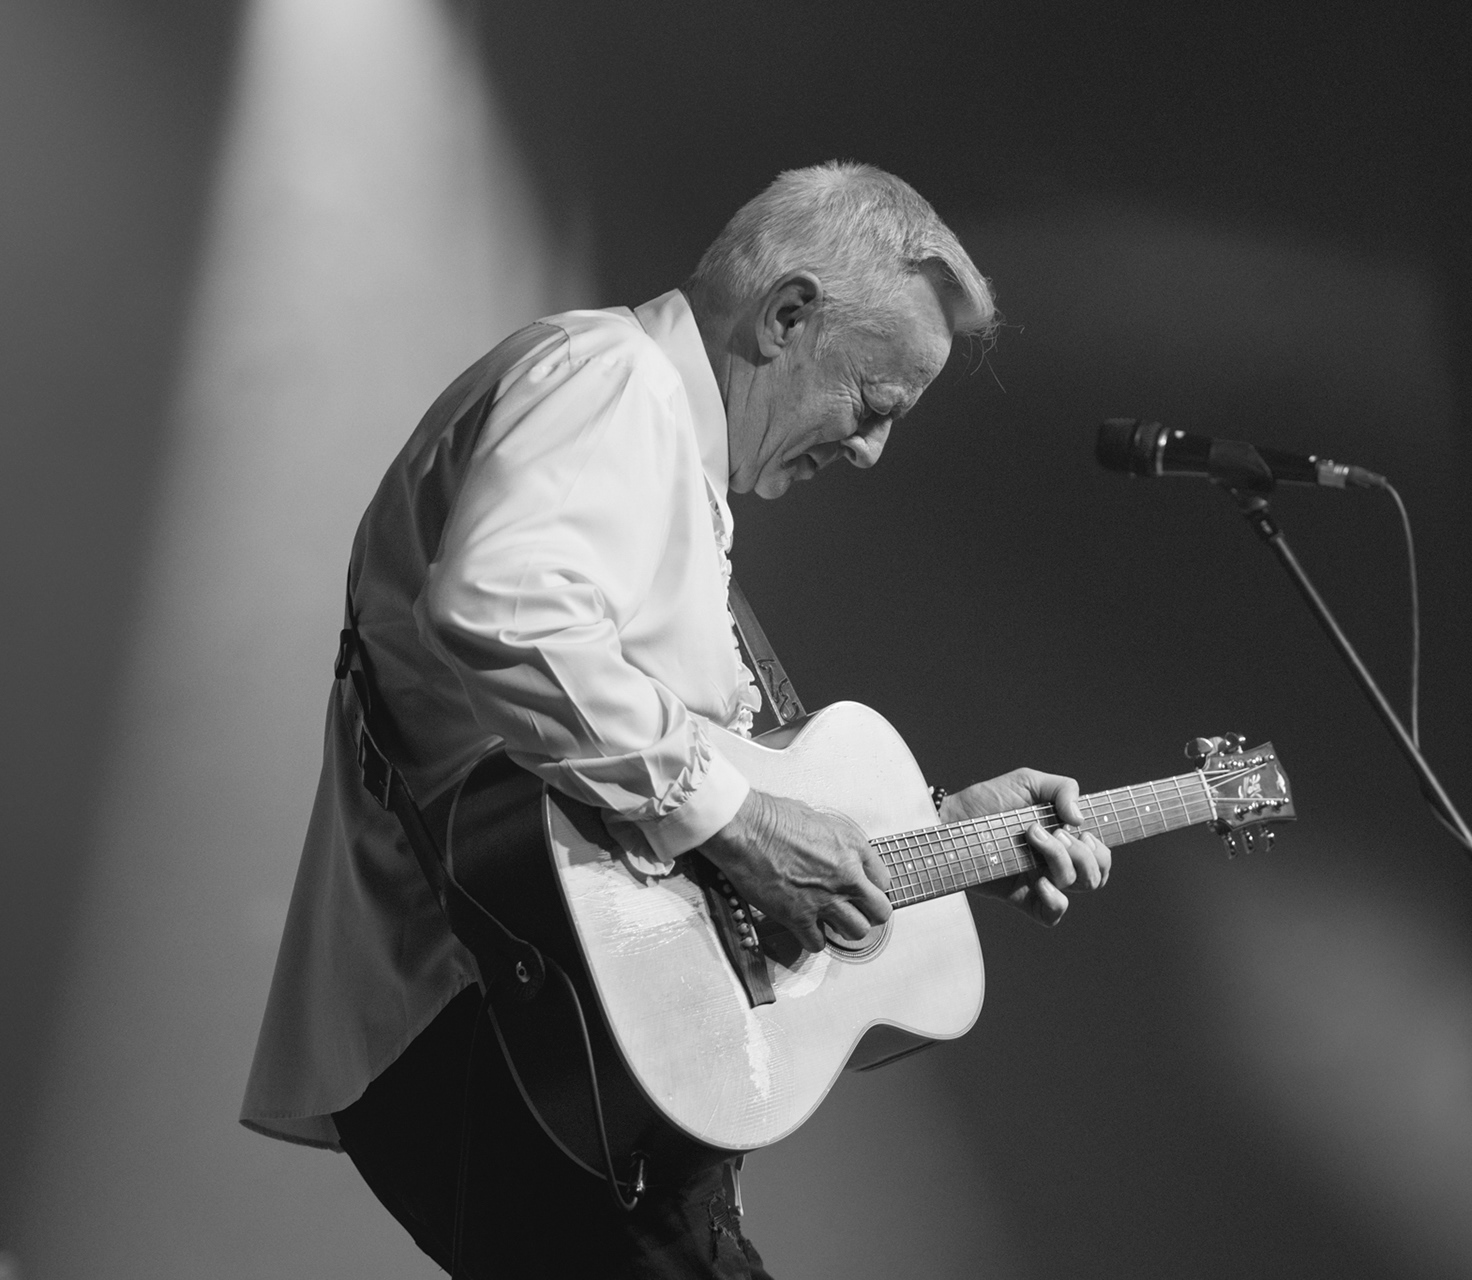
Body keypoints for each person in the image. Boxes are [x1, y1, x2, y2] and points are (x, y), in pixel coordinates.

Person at [240, 162, 1112, 1278]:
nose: (871, 450)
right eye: (875, 403)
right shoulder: (612, 378)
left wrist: (939, 834)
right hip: (502, 1023)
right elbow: (503, 606)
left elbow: (680, 792)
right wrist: (739, 822)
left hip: (552, 1042)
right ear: (788, 314)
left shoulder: (658, 451)